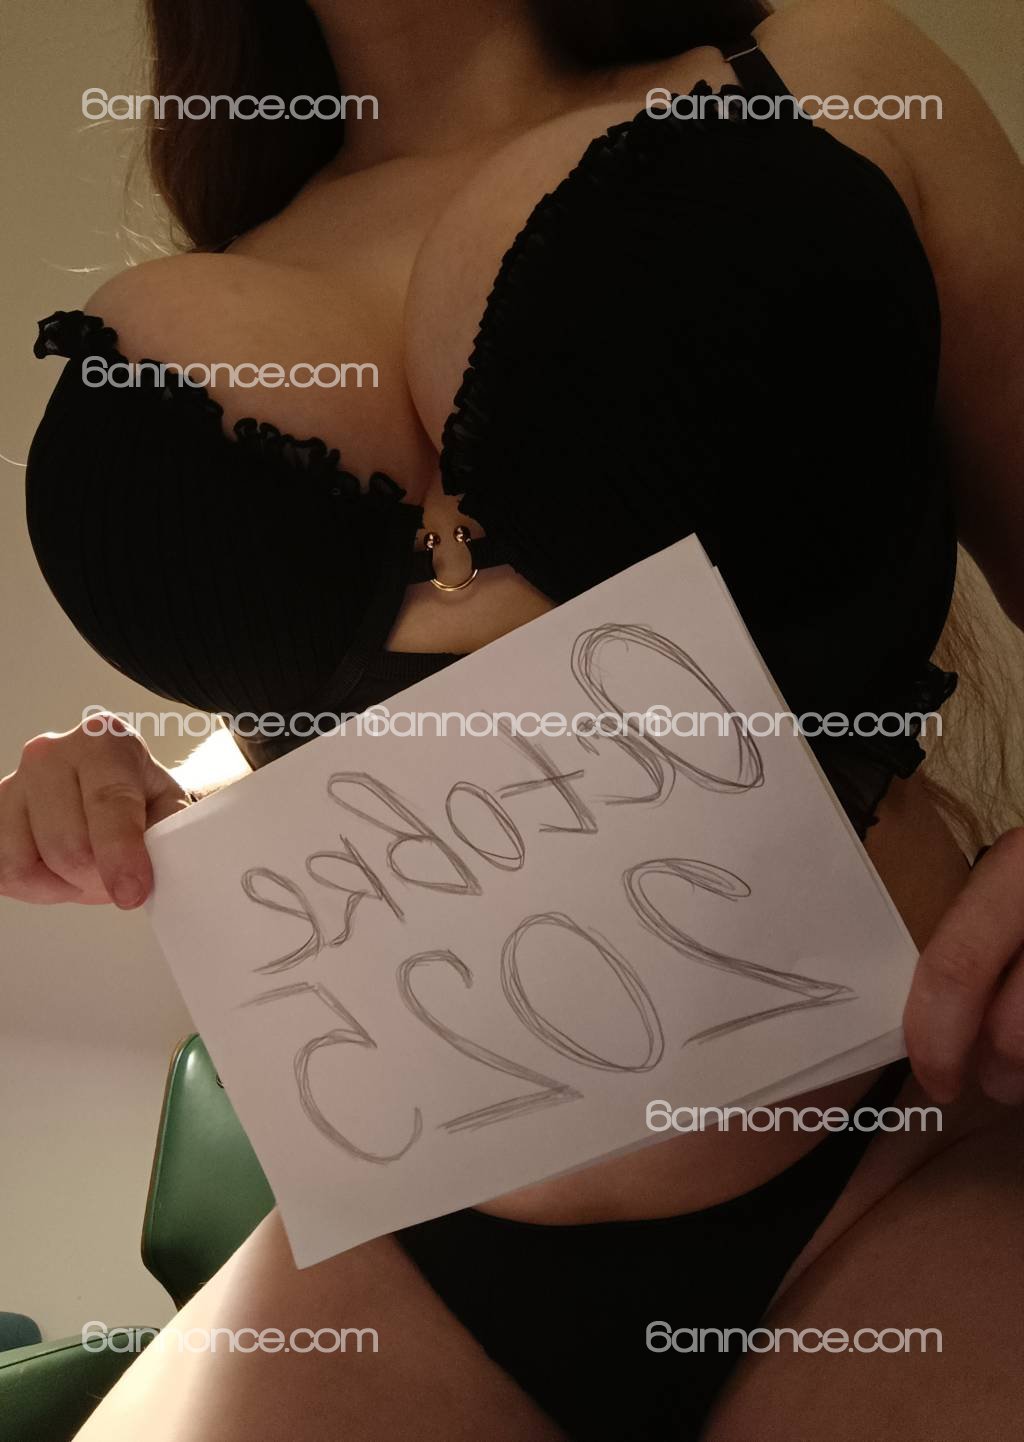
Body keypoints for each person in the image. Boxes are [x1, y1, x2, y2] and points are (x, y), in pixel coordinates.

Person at [5, 0, 1023, 1436]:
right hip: (406, 1237)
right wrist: (148, 799)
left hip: (897, 1151)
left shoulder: (830, 71)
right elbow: (397, 718)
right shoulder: (251, 227)